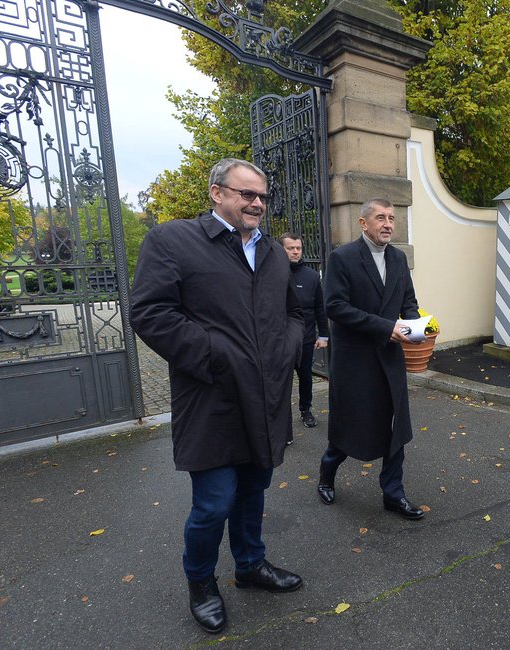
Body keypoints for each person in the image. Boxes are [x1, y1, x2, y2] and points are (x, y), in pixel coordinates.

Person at [129, 158, 305, 635]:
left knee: (254, 490)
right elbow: (150, 312)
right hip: (211, 399)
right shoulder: (173, 241)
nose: (256, 203)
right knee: (213, 502)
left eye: (262, 197)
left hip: (265, 398)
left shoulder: (270, 252)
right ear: (216, 193)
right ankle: (201, 583)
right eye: (246, 193)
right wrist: (216, 356)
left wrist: (285, 351)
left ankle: (250, 566)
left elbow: (294, 313)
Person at [316, 198, 425, 520]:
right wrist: (384, 326)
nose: (388, 223)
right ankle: (327, 472)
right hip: (354, 362)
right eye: (381, 217)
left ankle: (394, 494)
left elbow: (409, 302)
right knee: (351, 426)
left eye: (392, 218)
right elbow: (334, 306)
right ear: (363, 223)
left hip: (389, 359)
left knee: (395, 426)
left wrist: (418, 328)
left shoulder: (399, 258)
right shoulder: (343, 258)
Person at [277, 233, 329, 428]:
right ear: (281, 250)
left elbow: (319, 308)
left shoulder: (312, 276)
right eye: (290, 248)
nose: (296, 251)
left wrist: (323, 334)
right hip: (280, 340)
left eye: (298, 248)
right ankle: (281, 418)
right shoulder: (271, 274)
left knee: (306, 377)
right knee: (281, 381)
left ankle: (305, 410)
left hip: (306, 338)